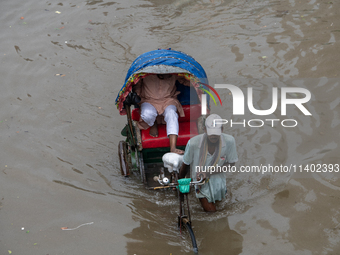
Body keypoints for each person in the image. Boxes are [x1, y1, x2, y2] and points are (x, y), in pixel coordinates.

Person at [178, 114, 238, 212]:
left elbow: (231, 164)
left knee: (220, 204)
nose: (213, 136)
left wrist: (207, 173)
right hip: (200, 182)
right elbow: (186, 163)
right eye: (211, 133)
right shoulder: (193, 143)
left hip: (219, 181)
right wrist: (180, 181)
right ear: (205, 129)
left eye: (216, 133)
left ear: (222, 129)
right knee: (212, 213)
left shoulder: (229, 141)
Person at [134, 73, 189, 155]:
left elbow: (185, 81)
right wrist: (135, 96)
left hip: (168, 100)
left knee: (172, 114)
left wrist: (197, 83)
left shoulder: (174, 73)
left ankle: (173, 147)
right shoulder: (145, 73)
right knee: (147, 114)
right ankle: (153, 124)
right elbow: (137, 88)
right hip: (148, 100)